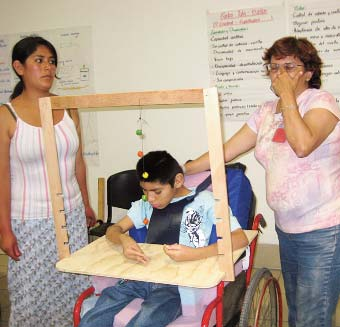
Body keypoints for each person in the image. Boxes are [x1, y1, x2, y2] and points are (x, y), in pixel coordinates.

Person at [185, 36, 340, 327]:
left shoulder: (322, 102)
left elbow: (303, 144)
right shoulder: (266, 111)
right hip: (286, 227)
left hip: (323, 231)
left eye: (289, 67)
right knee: (297, 310)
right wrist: (183, 168)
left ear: (308, 72)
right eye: (274, 67)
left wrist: (289, 98)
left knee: (313, 317)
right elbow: (226, 150)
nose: (279, 74)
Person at [79, 150, 248, 327]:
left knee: (144, 322)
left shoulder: (205, 201)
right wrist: (124, 240)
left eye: (157, 191)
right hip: (142, 276)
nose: (150, 198)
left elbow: (240, 238)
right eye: (145, 191)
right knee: (93, 318)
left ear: (178, 181)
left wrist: (196, 254)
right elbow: (114, 229)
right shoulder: (144, 205)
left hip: (176, 284)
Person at [0, 36, 96, 327]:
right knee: (33, 296)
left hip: (71, 216)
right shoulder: (7, 115)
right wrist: (4, 229)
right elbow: (1, 176)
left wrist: (87, 204)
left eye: (52, 61)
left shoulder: (68, 108)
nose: (48, 68)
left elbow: (78, 161)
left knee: (73, 288)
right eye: (39, 61)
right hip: (30, 222)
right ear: (19, 67)